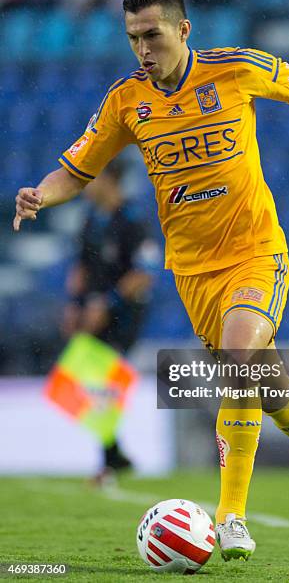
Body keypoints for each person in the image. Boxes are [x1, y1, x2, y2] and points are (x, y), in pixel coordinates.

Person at [14, 0, 289, 562]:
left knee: (239, 367)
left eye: (153, 35)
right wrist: (41, 194)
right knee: (264, 392)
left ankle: (231, 517)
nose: (143, 49)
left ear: (183, 30)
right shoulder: (126, 100)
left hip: (255, 251)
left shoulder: (235, 68)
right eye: (133, 38)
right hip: (193, 273)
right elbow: (79, 169)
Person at [61, 160, 153, 481]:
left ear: (111, 180)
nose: (86, 184)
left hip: (124, 316)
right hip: (93, 312)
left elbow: (144, 273)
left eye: (93, 177)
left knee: (103, 380)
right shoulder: (90, 220)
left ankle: (109, 459)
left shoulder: (132, 220)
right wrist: (74, 305)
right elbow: (81, 266)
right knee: (80, 382)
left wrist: (107, 303)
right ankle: (114, 454)